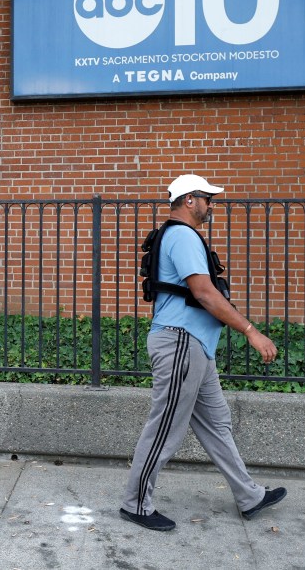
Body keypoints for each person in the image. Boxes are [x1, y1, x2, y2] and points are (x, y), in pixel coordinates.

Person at [120, 174, 287, 531]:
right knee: (165, 426)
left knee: (217, 424)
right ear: (190, 200)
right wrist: (251, 331)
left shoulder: (182, 236)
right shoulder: (182, 236)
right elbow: (205, 293)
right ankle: (135, 503)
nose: (211, 205)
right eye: (207, 198)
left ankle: (249, 495)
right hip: (181, 342)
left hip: (194, 346)